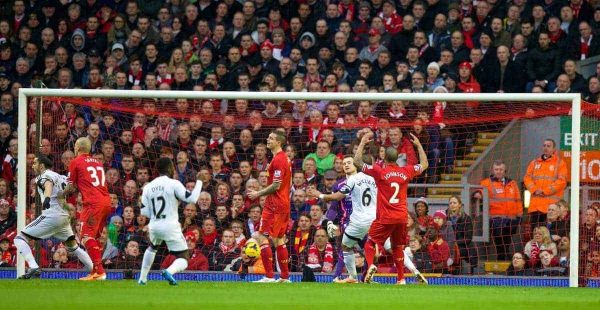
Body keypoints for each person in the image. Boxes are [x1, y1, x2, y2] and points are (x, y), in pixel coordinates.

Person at [354, 129, 428, 284]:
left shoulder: (379, 171)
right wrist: (419, 145)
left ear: (384, 158)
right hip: (402, 217)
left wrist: (362, 143)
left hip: (386, 217)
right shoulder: (406, 171)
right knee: (397, 247)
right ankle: (401, 279)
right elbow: (424, 164)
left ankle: (371, 266)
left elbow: (357, 162)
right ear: (398, 158)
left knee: (370, 242)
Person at [14, 155, 93, 279]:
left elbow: (48, 184)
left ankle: (34, 266)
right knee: (73, 247)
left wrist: (46, 198)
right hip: (64, 217)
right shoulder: (60, 176)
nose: (33, 165)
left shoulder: (43, 175)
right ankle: (94, 270)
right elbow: (71, 187)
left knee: (19, 238)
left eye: (35, 163)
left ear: (42, 165)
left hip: (52, 215)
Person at [308, 155, 378, 283]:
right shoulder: (339, 184)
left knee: (364, 249)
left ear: (356, 165)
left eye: (349, 163)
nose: (346, 165)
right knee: (347, 248)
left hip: (361, 220)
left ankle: (362, 277)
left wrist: (321, 195)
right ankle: (338, 276)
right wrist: (330, 221)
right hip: (347, 221)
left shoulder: (362, 181)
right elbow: (335, 206)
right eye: (344, 163)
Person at [137, 157, 203, 285]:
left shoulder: (148, 187)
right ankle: (169, 271)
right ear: (170, 168)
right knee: (184, 257)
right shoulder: (174, 183)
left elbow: (144, 212)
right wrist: (199, 181)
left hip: (154, 225)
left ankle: (142, 278)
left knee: (152, 247)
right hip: (170, 225)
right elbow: (193, 199)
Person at [247, 129, 292, 283]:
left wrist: (258, 194)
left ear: (278, 142)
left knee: (261, 236)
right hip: (283, 204)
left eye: (271, 138)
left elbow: (276, 185)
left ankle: (269, 276)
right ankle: (285, 277)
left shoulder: (279, 159)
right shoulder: (283, 158)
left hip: (274, 205)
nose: (268, 139)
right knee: (279, 239)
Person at [64, 137, 111, 280]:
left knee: (86, 236)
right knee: (95, 237)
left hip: (92, 203)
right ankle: (96, 271)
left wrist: (57, 192)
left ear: (77, 148)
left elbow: (70, 187)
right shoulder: (98, 162)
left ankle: (100, 272)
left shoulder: (75, 162)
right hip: (106, 201)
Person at [477, 160, 522, 261]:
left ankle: (505, 258)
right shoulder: (487, 182)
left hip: (511, 219)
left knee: (507, 241)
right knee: (499, 242)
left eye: (501, 169)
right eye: (496, 169)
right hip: (496, 219)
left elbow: (518, 200)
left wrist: (519, 216)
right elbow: (480, 190)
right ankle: (503, 259)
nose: (498, 171)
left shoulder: (512, 183)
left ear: (505, 170)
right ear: (493, 170)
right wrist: (478, 193)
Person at [523, 139, 568, 229]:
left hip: (551, 207)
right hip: (535, 207)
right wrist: (534, 190)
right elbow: (527, 178)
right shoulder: (534, 162)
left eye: (548, 146)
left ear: (554, 149)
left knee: (549, 235)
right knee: (536, 233)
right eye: (544, 145)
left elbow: (561, 182)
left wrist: (544, 191)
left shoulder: (560, 163)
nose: (546, 148)